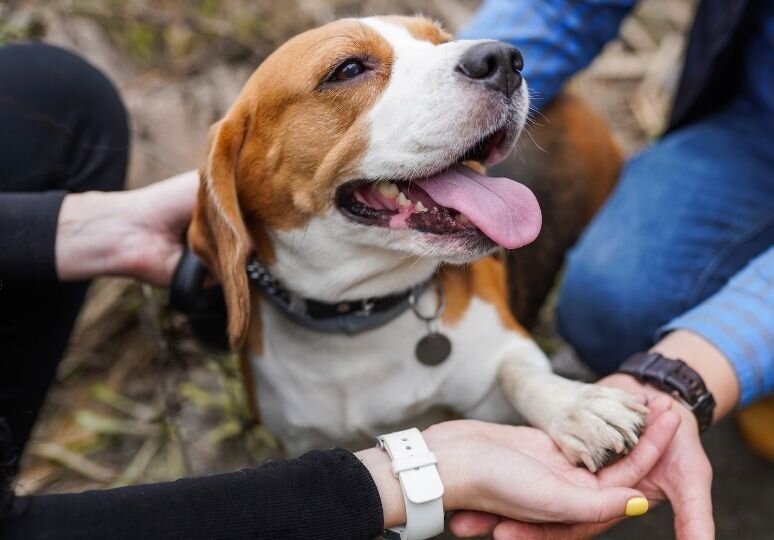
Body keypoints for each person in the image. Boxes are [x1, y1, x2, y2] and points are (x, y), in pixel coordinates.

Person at [0, 42, 686, 539]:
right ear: (242, 169)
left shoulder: (461, 241)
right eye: (351, 70)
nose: (491, 61)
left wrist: (542, 392)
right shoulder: (240, 262)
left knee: (60, 93)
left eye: (434, 44)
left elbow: (509, 361)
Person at [456, 0, 774, 538]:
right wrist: (442, 102)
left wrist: (678, 378)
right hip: (765, 136)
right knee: (613, 300)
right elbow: (564, 10)